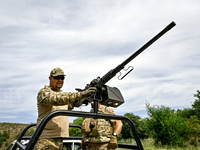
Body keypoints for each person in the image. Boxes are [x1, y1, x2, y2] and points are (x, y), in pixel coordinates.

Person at [34, 67, 96, 150]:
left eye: (62, 78)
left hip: (59, 140)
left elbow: (71, 103)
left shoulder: (63, 96)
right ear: (50, 78)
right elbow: (56, 99)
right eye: (57, 78)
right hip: (45, 140)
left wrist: (84, 97)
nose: (60, 80)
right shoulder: (44, 92)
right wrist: (80, 94)